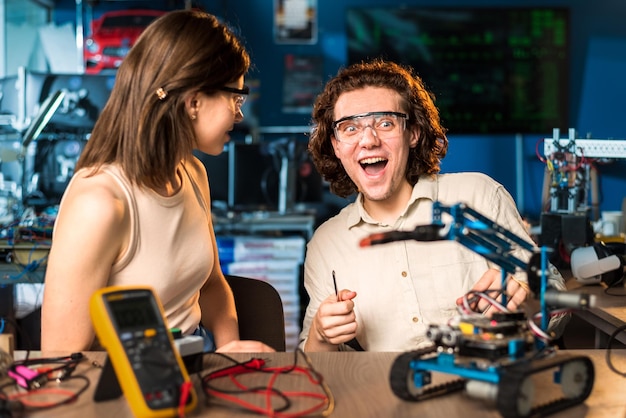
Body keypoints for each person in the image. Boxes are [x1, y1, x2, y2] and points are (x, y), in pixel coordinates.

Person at [41, 10, 272, 353]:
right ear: (194, 101)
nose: (239, 114)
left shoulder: (193, 173)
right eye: (234, 98)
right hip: (125, 389)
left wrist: (230, 353)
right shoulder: (101, 202)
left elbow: (210, 285)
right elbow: (62, 358)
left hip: (194, 367)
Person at [300, 59, 568, 352]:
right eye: (350, 128)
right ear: (336, 145)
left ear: (413, 133)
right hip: (386, 393)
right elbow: (316, 370)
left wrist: (526, 298)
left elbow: (557, 308)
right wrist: (321, 335)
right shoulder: (326, 244)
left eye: (385, 123)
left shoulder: (477, 197)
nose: (368, 140)